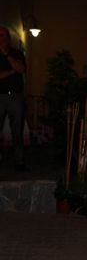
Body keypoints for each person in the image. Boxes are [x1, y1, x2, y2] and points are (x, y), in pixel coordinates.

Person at [0, 26, 28, 171]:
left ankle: (19, 161)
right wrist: (13, 70)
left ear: (9, 39)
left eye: (4, 35)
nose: (1, 38)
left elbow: (22, 69)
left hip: (16, 96)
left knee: (17, 130)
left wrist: (7, 56)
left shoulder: (16, 53)